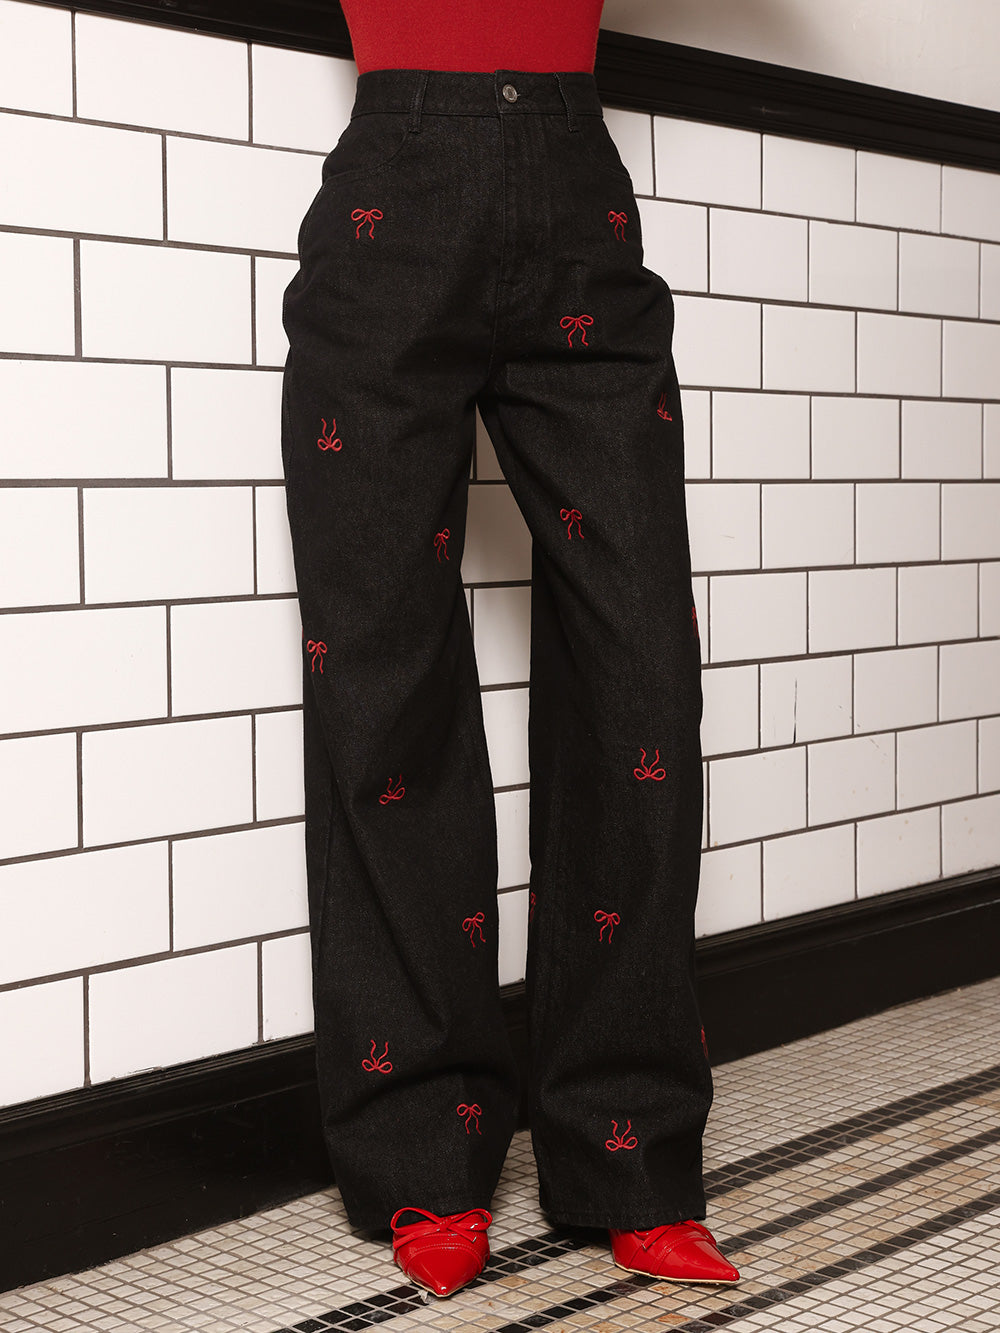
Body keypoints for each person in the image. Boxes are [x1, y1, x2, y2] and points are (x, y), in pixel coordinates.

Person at [279, 0, 742, 1299]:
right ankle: (423, 1143)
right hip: (394, 201)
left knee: (642, 676)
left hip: (579, 202)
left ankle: (629, 1147)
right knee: (384, 681)